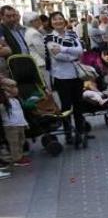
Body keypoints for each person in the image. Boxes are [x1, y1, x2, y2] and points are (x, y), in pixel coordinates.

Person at [45, 12, 87, 148]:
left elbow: (80, 51)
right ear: (51, 22)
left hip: (76, 75)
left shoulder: (72, 34)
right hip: (61, 77)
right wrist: (72, 54)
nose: (58, 21)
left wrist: (64, 49)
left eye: (60, 18)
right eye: (54, 19)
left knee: (78, 105)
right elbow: (57, 57)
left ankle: (80, 132)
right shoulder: (49, 37)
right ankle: (69, 134)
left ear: (64, 20)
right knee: (66, 106)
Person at [1, 83, 30, 168]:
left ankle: (20, 156)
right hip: (10, 126)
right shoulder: (4, 103)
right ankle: (17, 159)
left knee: (21, 140)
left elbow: (20, 113)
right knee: (14, 142)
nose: (16, 90)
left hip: (19, 124)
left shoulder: (16, 100)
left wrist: (25, 123)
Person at [22, 11, 49, 88]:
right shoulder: (34, 33)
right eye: (37, 19)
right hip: (41, 63)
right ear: (32, 22)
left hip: (37, 62)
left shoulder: (29, 31)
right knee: (47, 86)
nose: (40, 21)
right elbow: (43, 51)